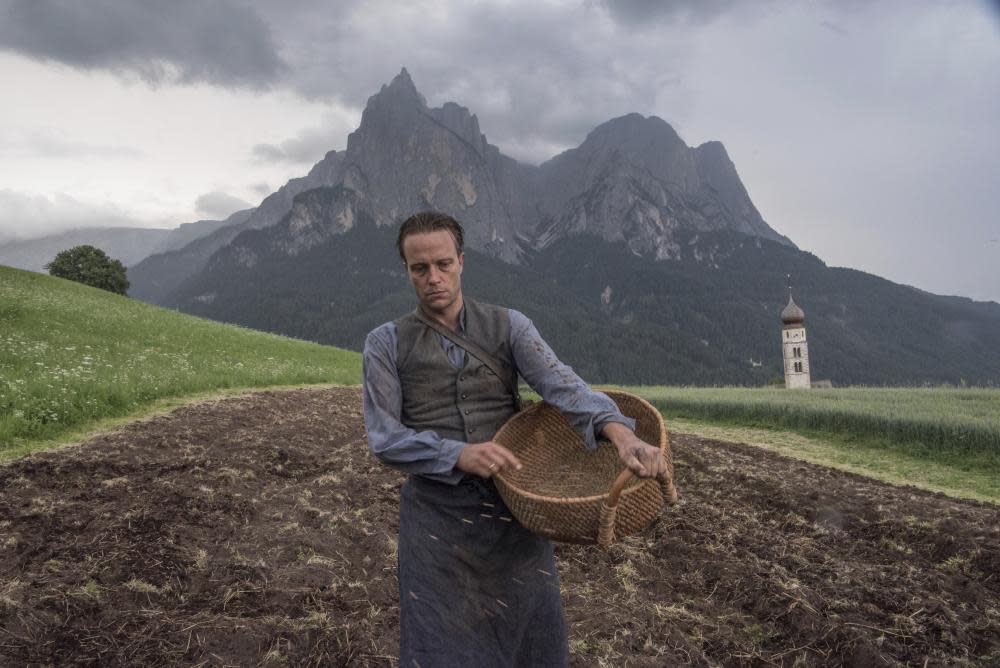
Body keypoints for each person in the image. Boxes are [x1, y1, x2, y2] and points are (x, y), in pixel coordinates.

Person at [362, 211, 668, 667]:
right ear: (406, 270)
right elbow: (384, 438)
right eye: (420, 268)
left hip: (513, 513)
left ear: (462, 261)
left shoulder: (510, 326)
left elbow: (564, 387)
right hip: (435, 526)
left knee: (531, 642)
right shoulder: (385, 343)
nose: (434, 278)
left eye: (444, 264)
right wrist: (458, 454)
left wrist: (622, 437)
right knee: (442, 649)